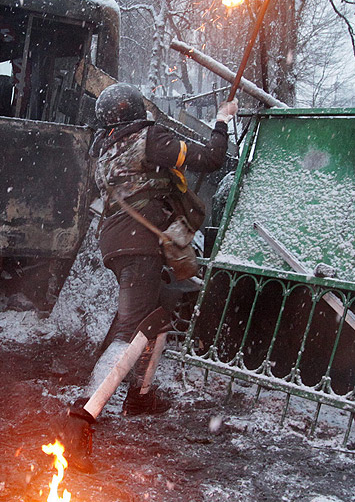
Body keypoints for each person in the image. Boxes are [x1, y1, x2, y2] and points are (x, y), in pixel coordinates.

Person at [61, 83, 237, 471]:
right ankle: (82, 418)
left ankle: (141, 397)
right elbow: (210, 158)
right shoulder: (151, 137)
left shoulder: (103, 149)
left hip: (117, 240)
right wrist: (222, 121)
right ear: (137, 110)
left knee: (155, 314)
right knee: (129, 330)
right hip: (140, 242)